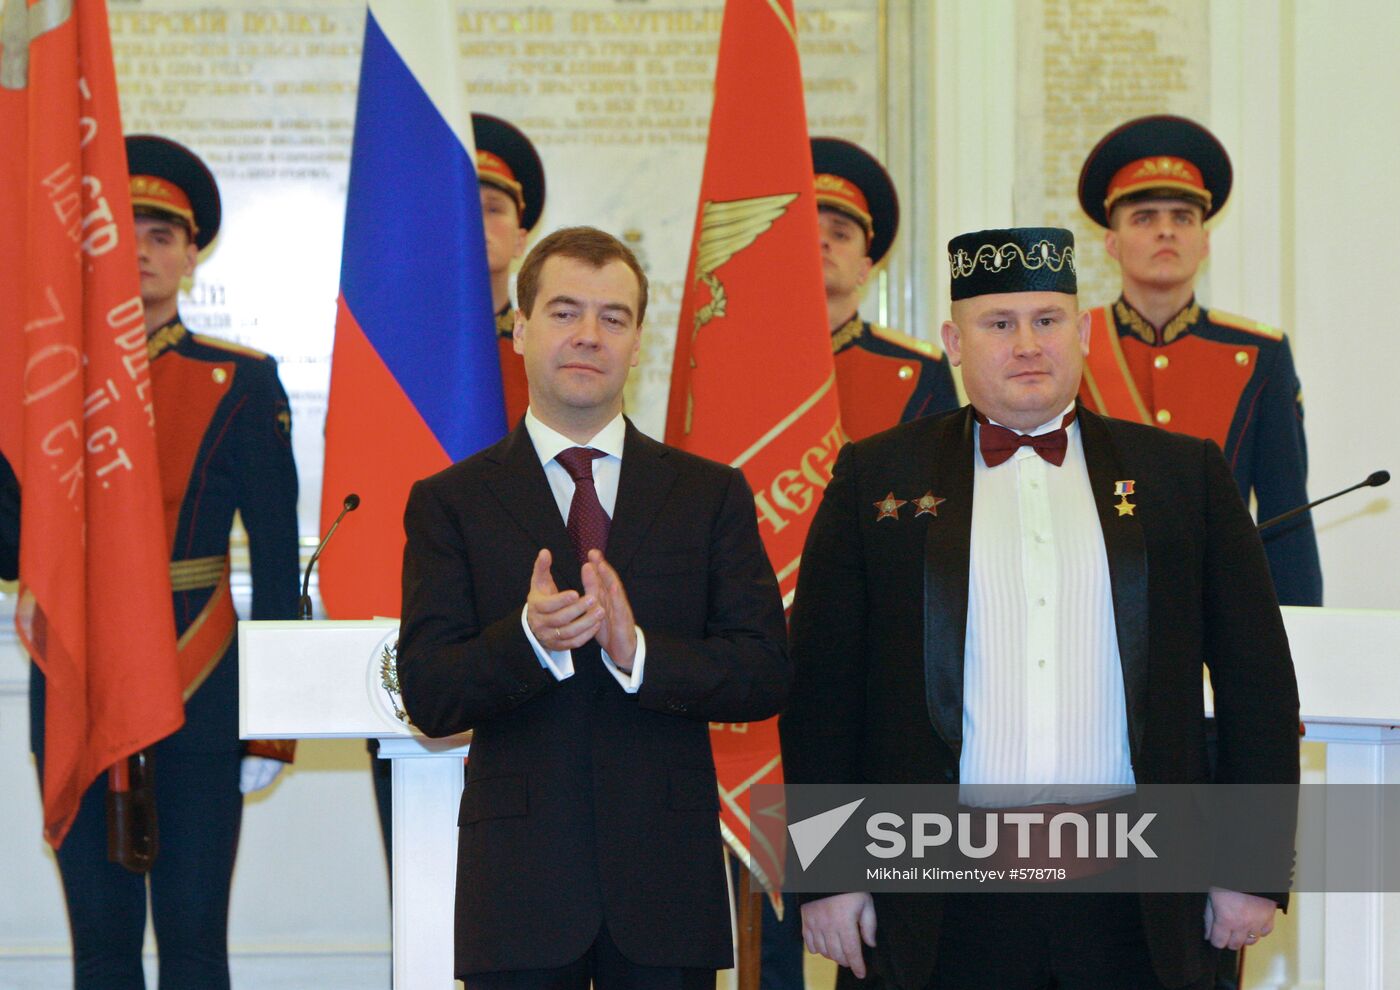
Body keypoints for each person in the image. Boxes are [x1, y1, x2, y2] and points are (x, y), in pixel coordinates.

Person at [781, 227, 1300, 990]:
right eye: (999, 324)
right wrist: (828, 873)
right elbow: (822, 690)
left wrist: (1250, 865)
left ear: (1083, 332)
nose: (1027, 343)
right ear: (955, 343)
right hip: (935, 895)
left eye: (1048, 320)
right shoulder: (874, 478)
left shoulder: (1182, 475)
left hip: (1138, 895)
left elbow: (1257, 681)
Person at [396, 226, 790, 988]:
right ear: (520, 329)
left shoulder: (709, 495)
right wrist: (529, 641)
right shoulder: (451, 503)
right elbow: (429, 694)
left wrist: (638, 650)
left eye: (613, 318)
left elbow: (764, 671)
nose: (588, 335)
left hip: (665, 889)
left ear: (639, 341)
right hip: (518, 891)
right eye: (565, 311)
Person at [26, 134, 301, 990]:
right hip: (79, 669)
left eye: (161, 234)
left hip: (202, 674)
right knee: (101, 947)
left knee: (192, 942)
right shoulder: (42, 383)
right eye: (122, 233)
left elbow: (281, 557)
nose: (140, 252)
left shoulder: (243, 382)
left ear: (191, 254)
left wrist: (274, 720)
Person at [368, 112, 548, 866]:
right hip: (424, 653)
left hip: (539, 654)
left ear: (522, 232)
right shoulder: (384, 367)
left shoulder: (553, 358)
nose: (472, 224)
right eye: (454, 204)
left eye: (490, 206)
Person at [1076, 114, 1321, 605]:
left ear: (1205, 241)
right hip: (1092, 604)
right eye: (1144, 217)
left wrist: (1298, 634)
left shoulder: (1259, 355)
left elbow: (1286, 513)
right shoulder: (1069, 346)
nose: (1166, 232)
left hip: (1219, 610)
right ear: (1111, 242)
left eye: (1183, 218)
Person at [813, 137, 959, 441]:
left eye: (840, 234)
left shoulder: (921, 369)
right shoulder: (740, 362)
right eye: (807, 230)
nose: (822, 241)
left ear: (864, 269)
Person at [478, 112, 547, 427]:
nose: (477, 223)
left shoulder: (546, 356)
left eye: (493, 209)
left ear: (520, 240)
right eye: (463, 207)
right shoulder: (393, 355)